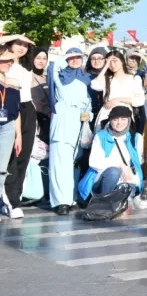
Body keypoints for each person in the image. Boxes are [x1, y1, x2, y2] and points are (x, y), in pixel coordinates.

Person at [48, 48, 93, 216]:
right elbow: (53, 66)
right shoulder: (58, 75)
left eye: (78, 57)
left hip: (80, 123)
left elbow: (89, 102)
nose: (74, 60)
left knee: (74, 162)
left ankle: (71, 197)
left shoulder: (86, 79)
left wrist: (89, 115)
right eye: (71, 58)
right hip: (62, 120)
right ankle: (61, 201)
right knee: (59, 162)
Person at [76, 105, 144, 205]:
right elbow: (94, 162)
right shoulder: (100, 136)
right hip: (102, 179)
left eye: (123, 119)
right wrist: (120, 165)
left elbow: (138, 161)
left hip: (127, 178)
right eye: (115, 119)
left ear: (129, 120)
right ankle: (103, 204)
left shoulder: (136, 138)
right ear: (110, 120)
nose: (119, 123)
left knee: (125, 199)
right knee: (114, 172)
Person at [0, 35, 37, 216]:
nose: (22, 47)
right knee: (9, 157)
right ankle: (10, 200)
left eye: (25, 45)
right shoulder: (4, 61)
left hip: (27, 108)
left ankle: (16, 196)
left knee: (23, 154)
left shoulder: (25, 66)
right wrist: (15, 36)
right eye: (19, 44)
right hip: (8, 108)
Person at [90, 50, 147, 132]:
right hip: (106, 115)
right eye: (109, 62)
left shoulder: (134, 78)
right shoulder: (107, 78)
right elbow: (94, 85)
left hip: (125, 116)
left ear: (122, 61)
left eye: (115, 61)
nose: (112, 64)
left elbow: (140, 100)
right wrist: (105, 66)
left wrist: (118, 99)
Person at [0, 47, 25, 219]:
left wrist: (19, 135)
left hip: (8, 126)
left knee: (1, 168)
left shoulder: (14, 81)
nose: (9, 63)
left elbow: (16, 111)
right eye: (4, 60)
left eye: (11, 61)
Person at [28, 47, 51, 148]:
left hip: (46, 119)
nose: (41, 61)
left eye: (44, 58)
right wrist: (48, 112)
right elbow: (35, 99)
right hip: (34, 118)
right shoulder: (28, 75)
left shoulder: (46, 77)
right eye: (38, 58)